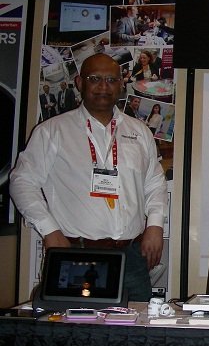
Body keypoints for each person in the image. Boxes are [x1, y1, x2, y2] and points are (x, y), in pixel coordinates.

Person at [10, 53, 167, 302]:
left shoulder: (139, 131)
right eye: (95, 79)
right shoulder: (52, 131)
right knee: (71, 326)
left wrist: (155, 225)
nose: (104, 86)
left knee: (137, 326)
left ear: (121, 84)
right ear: (79, 82)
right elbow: (22, 182)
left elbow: (155, 182)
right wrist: (49, 230)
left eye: (111, 80)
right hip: (75, 254)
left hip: (131, 257)